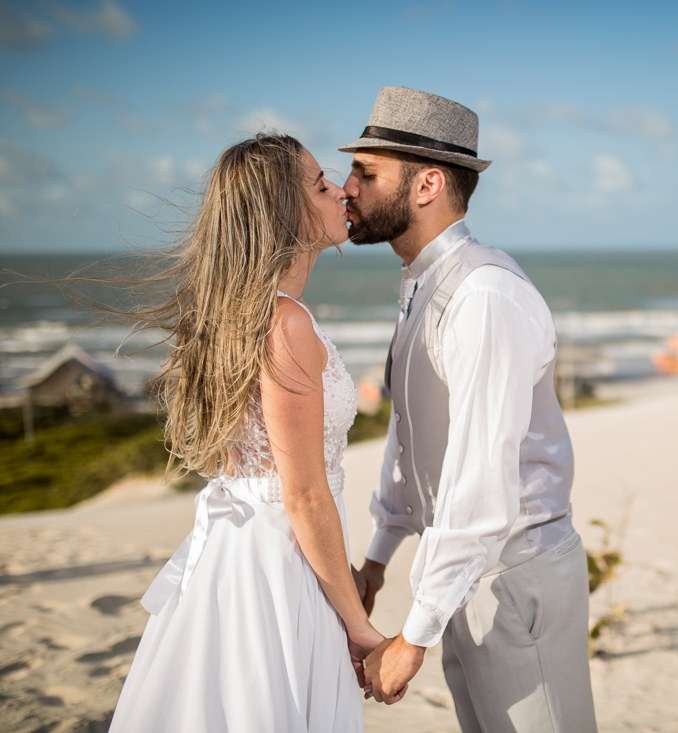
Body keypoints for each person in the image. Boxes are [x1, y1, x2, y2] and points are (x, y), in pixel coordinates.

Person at [105, 133, 384, 732]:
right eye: (320, 184)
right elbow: (304, 494)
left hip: (251, 552)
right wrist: (359, 626)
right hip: (277, 565)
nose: (341, 191)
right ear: (283, 212)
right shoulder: (285, 323)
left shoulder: (250, 311)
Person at [341, 87, 599, 733]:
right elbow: (412, 432)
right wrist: (379, 555)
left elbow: (481, 474)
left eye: (366, 172)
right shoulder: (424, 282)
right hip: (466, 572)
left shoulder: (483, 294)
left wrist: (415, 633)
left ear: (427, 184)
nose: (348, 188)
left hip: (514, 575)